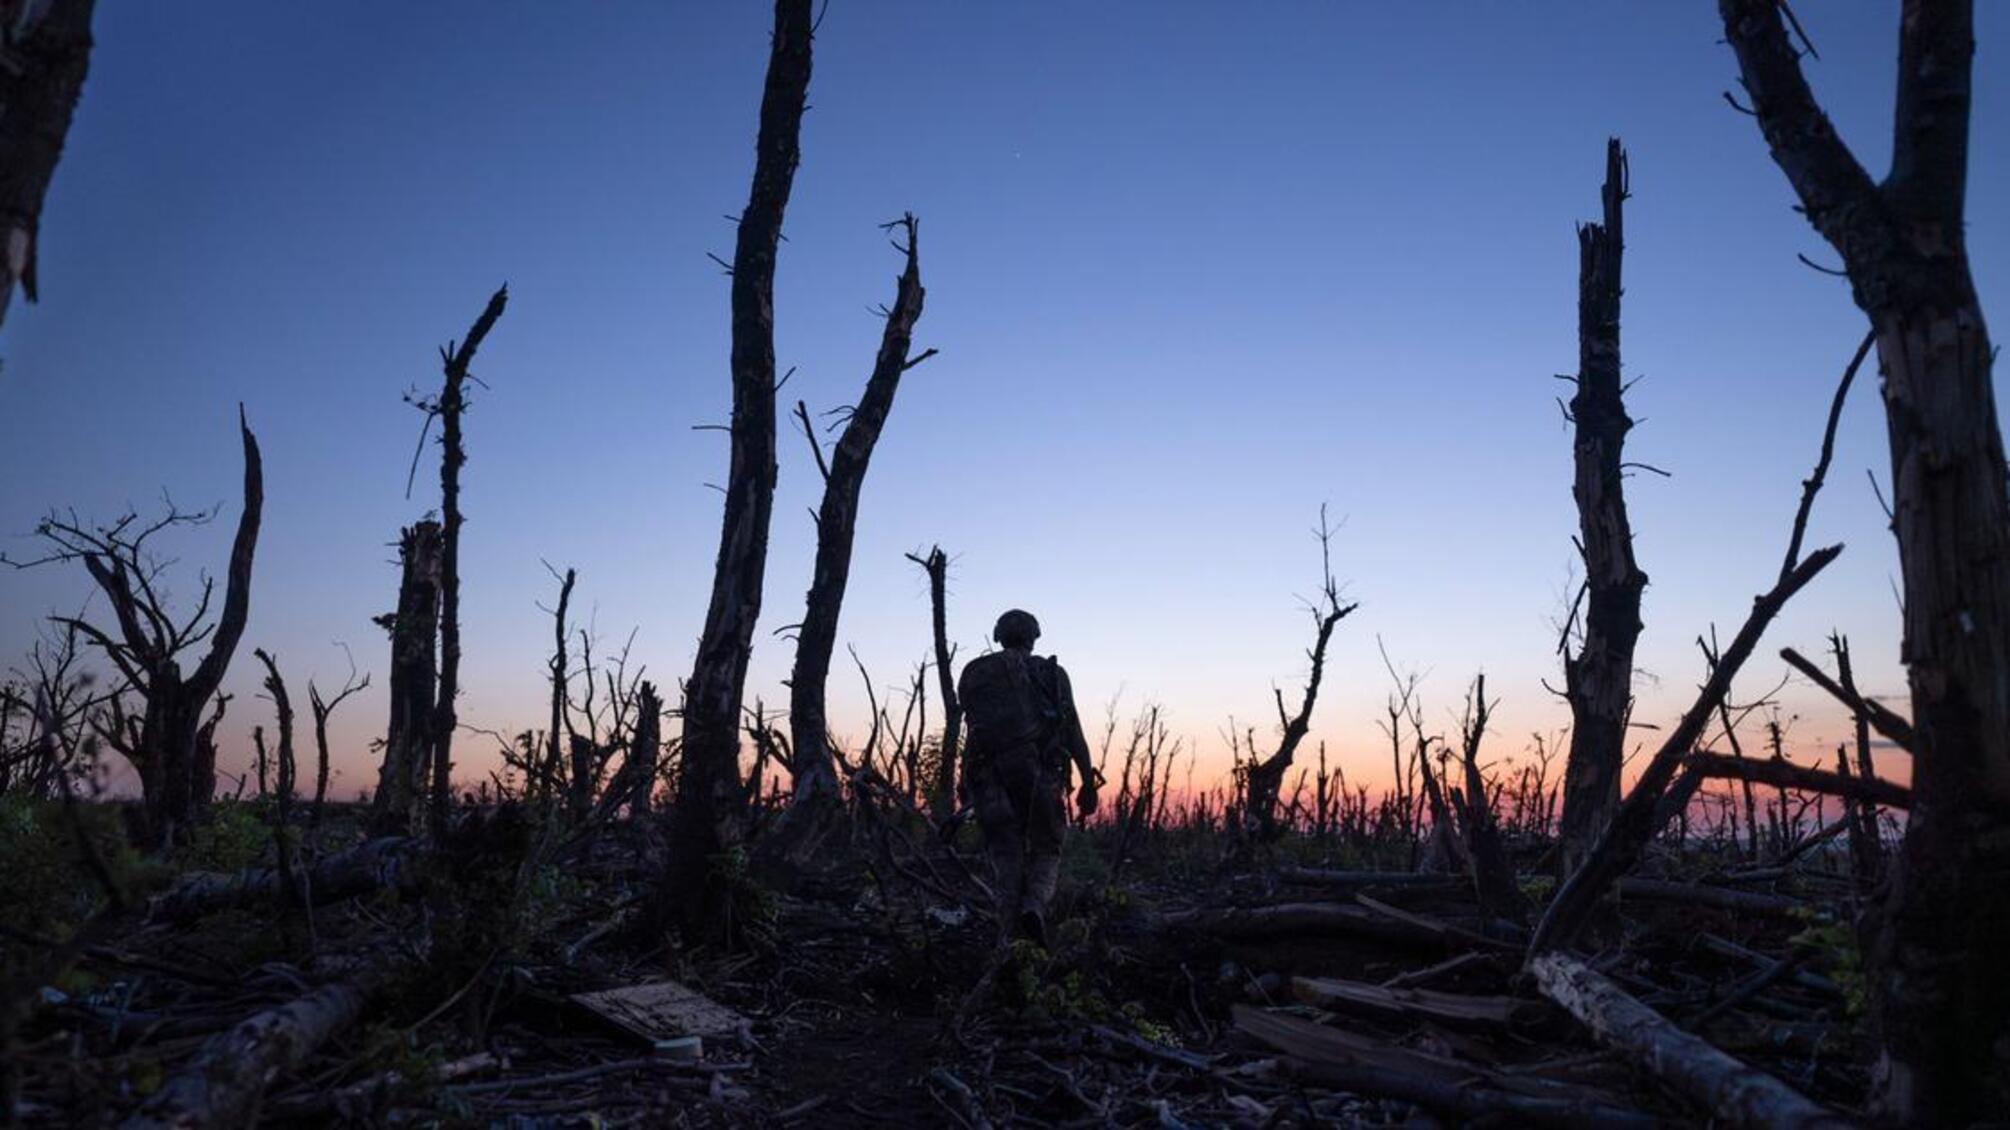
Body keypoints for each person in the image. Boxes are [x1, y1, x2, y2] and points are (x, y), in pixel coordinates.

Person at [956, 608, 1098, 945]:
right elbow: (1072, 729)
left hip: (990, 780)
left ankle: (1007, 935)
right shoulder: (1051, 673)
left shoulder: (977, 673)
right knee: (1048, 849)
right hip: (1040, 778)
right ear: (1034, 637)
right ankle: (1034, 906)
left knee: (1005, 854)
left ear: (998, 636)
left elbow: (973, 734)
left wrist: (965, 782)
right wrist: (1088, 782)